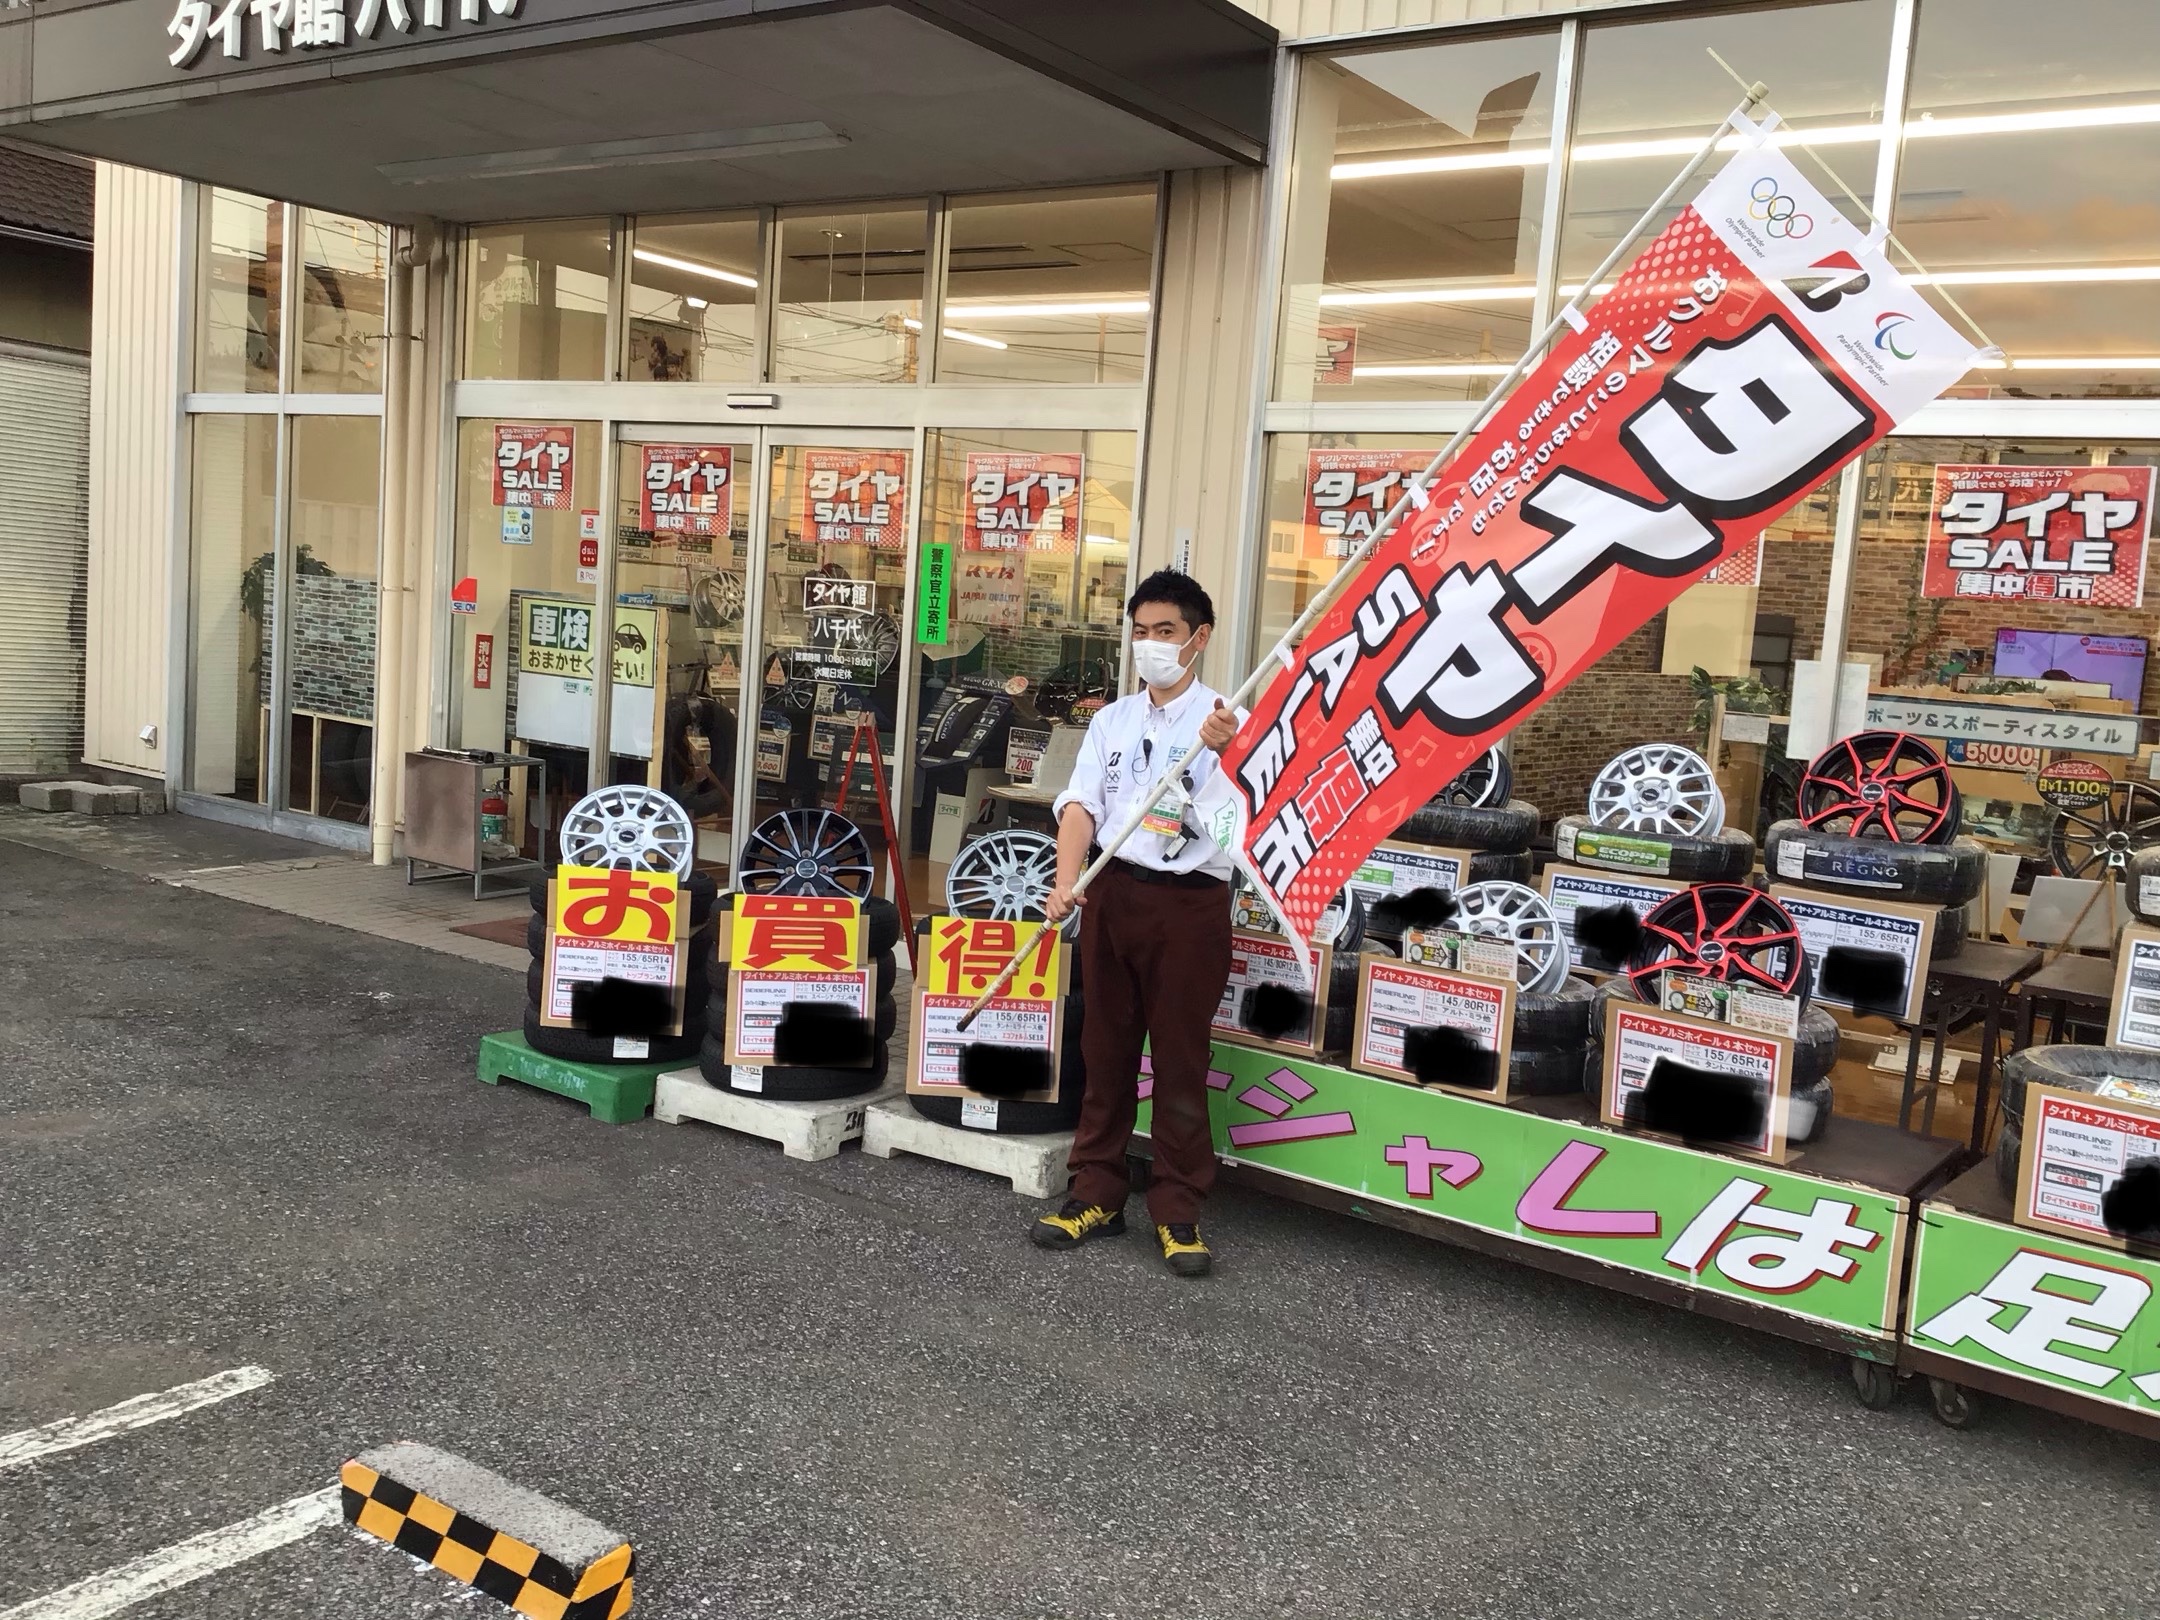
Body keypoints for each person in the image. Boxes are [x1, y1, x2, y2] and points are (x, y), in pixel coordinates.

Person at [1031, 569, 1244, 1277]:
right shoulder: (1112, 720)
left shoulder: (1230, 720)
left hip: (1190, 905)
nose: (1150, 644)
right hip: (1112, 895)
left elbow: (1243, 820)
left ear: (1198, 638)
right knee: (1106, 1049)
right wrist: (1066, 881)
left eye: (1166, 632)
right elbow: (1080, 805)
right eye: (1141, 631)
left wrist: (1226, 754)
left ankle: (1178, 1208)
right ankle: (1096, 1192)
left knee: (1180, 1060)